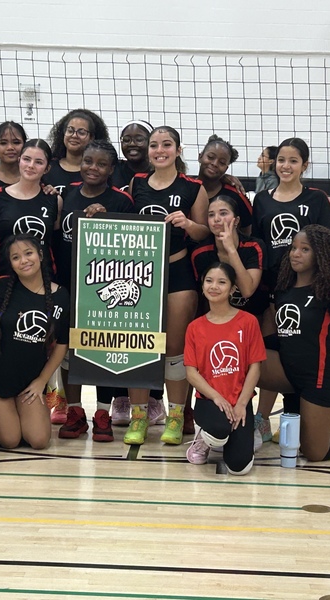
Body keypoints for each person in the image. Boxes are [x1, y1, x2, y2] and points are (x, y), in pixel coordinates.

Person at [125, 126, 210, 446]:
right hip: (139, 274)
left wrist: (188, 224)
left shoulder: (193, 187)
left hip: (177, 271)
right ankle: (139, 416)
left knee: (174, 349)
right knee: (138, 346)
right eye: (154, 145)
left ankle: (175, 416)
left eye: (166, 144)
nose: (159, 150)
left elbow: (204, 232)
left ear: (177, 149)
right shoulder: (135, 184)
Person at [252, 137, 330, 434]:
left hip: (308, 293)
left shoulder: (316, 199)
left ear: (305, 165)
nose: (285, 166)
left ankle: (293, 418)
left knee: (299, 353)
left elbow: (329, 246)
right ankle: (261, 420)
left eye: (293, 161)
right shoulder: (262, 199)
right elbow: (258, 244)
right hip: (272, 291)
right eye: (281, 160)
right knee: (270, 354)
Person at [259, 225, 330, 462]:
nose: (295, 253)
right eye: (294, 248)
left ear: (320, 254)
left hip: (319, 378)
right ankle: (248, 427)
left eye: (304, 249)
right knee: (244, 359)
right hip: (286, 372)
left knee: (315, 452)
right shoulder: (283, 287)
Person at [53, 140, 135, 442]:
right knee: (67, 349)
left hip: (102, 288)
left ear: (111, 169)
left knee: (102, 350)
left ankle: (103, 411)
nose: (93, 168)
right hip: (67, 285)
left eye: (101, 164)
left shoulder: (120, 202)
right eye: (88, 161)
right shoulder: (66, 196)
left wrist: (107, 220)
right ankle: (73, 410)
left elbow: (130, 249)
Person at [0, 235, 69, 448]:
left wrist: (41, 381)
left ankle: (11, 414)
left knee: (38, 441)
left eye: (28, 253)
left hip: (29, 384)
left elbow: (62, 344)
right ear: (10, 264)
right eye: (16, 257)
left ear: (40, 255)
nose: (24, 260)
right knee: (10, 440)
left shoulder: (61, 295)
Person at [184, 262, 265, 474]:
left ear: (232, 288)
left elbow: (255, 368)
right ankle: (205, 438)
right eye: (209, 281)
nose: (214, 287)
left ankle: (234, 438)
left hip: (239, 400)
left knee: (240, 468)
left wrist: (241, 404)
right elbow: (191, 373)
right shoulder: (195, 327)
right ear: (202, 286)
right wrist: (216, 398)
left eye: (222, 282)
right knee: (219, 429)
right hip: (210, 400)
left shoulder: (248, 322)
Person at [0, 139, 60, 277]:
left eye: (38, 162)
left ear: (47, 168)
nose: (31, 166)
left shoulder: (54, 199)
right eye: (26, 159)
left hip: (44, 279)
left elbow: (55, 244)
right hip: (6, 277)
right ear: (19, 160)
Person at [196, 135, 253, 235]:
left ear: (226, 168)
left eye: (222, 163)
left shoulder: (236, 194)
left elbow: (247, 230)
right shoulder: (186, 187)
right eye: (210, 157)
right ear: (200, 156)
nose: (214, 163)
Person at [45, 109, 109, 195]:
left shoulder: (96, 172)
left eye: (81, 133)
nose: (74, 136)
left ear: (92, 138)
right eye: (70, 131)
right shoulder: (48, 167)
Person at [111, 120, 153, 192]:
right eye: (126, 140)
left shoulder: (158, 172)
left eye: (139, 139)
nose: (132, 144)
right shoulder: (113, 169)